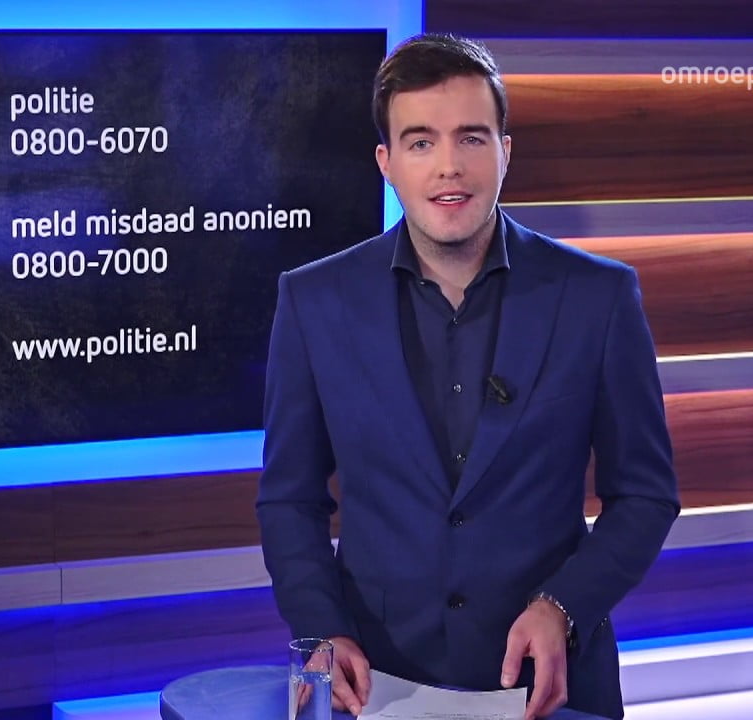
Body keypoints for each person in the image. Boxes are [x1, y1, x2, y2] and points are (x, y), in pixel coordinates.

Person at [256, 34, 680, 720]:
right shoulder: (314, 301)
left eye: (472, 138)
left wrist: (564, 605)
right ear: (387, 163)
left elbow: (645, 495)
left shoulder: (597, 297)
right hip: (376, 685)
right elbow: (289, 499)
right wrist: (321, 630)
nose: (448, 166)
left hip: (546, 685)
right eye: (421, 142)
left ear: (505, 151)